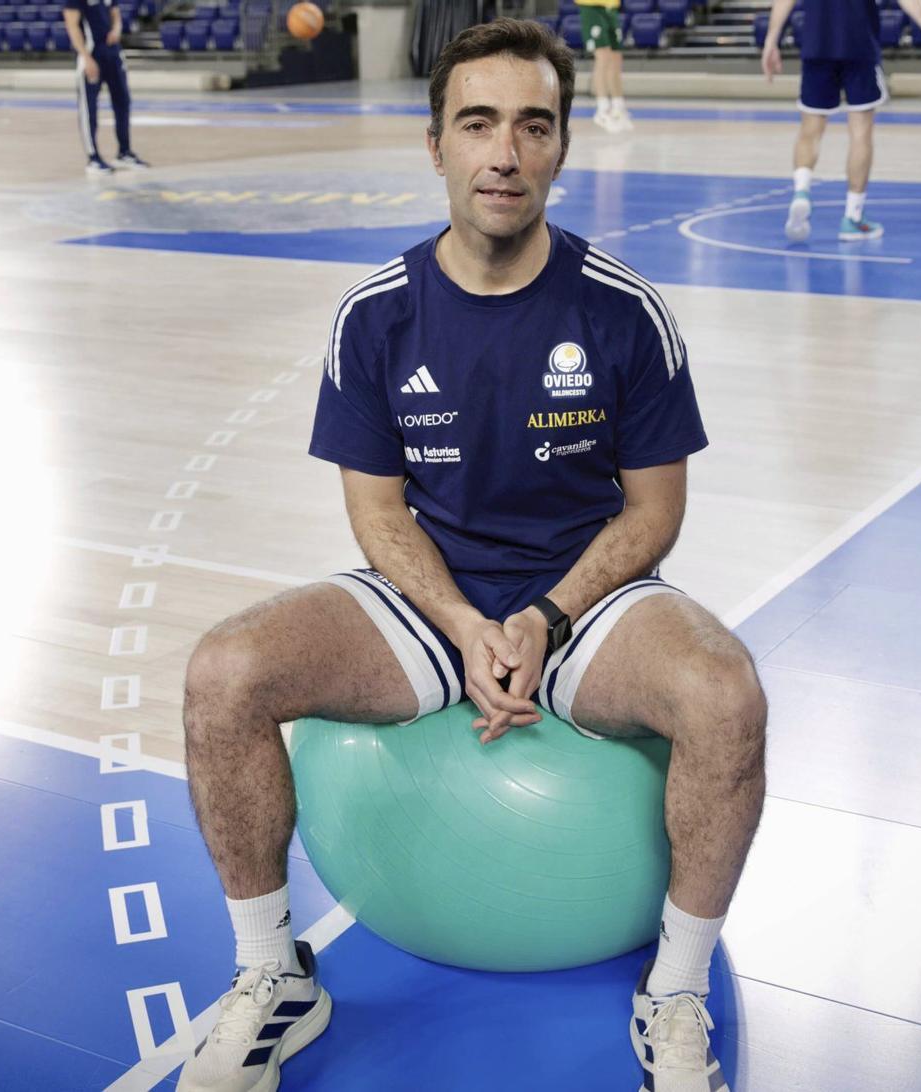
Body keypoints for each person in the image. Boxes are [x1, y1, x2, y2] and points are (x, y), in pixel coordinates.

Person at [177, 17, 765, 1092]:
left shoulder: (627, 312)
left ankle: (674, 991)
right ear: (435, 141)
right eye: (478, 123)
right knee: (225, 671)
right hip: (429, 599)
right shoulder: (376, 317)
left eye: (532, 126)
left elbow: (654, 514)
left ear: (562, 146)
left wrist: (544, 618)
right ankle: (274, 977)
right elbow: (377, 513)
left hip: (590, 598)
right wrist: (463, 624)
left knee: (727, 693)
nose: (505, 152)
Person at [762, 0, 921, 242]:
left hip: (818, 45)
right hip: (858, 44)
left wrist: (771, 40)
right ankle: (852, 217)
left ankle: (801, 192)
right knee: (860, 133)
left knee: (810, 129)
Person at [62, 0, 150, 176]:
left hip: (113, 53)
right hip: (92, 55)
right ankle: (93, 157)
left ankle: (124, 152)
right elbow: (72, 25)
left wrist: (117, 29)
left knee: (123, 101)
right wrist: (86, 58)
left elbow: (115, 14)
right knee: (89, 109)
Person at [578, 0, 632, 131]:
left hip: (611, 6)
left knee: (616, 58)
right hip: (591, 6)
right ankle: (602, 110)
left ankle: (618, 108)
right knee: (603, 56)